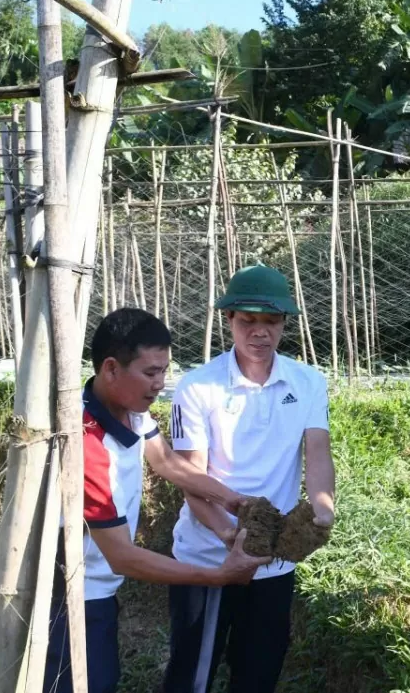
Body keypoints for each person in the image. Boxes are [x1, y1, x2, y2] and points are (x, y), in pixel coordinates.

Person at [44, 308, 268, 693]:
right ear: (111, 369)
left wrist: (232, 500)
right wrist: (218, 576)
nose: (160, 384)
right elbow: (123, 557)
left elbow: (166, 462)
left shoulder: (131, 414)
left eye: (165, 371)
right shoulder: (88, 447)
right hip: (72, 599)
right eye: (150, 372)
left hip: (99, 590)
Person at [164, 266, 335, 693]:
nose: (260, 333)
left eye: (271, 322)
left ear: (284, 323)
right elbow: (190, 478)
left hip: (273, 560)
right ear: (229, 321)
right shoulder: (198, 387)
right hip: (207, 558)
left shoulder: (307, 382)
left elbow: (317, 452)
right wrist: (228, 535)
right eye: (248, 322)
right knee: (192, 673)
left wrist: (322, 507)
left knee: (260, 670)